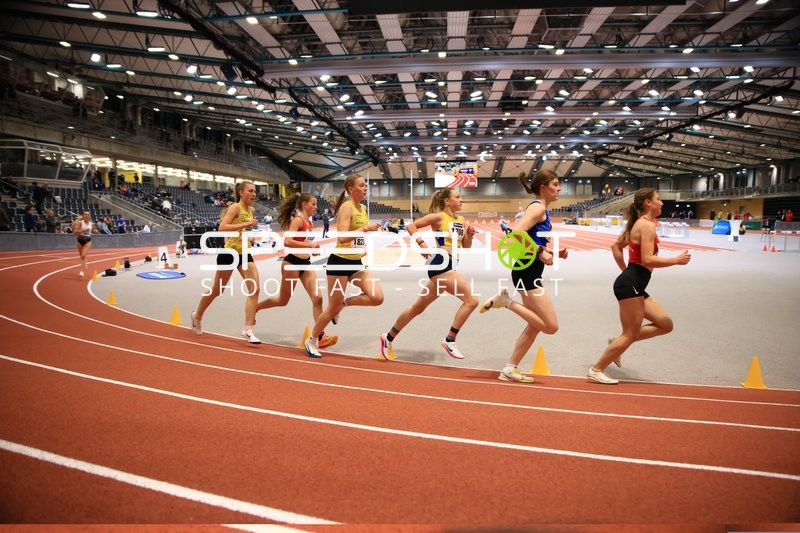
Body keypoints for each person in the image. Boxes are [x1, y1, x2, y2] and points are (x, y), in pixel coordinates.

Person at [587, 188, 691, 385]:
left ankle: (616, 344)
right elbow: (647, 259)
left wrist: (626, 271)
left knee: (665, 324)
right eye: (658, 199)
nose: (662, 203)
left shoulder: (641, 224)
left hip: (634, 284)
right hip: (631, 284)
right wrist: (676, 260)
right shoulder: (646, 226)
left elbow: (616, 247)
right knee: (630, 333)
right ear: (647, 203)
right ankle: (597, 369)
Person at [480, 170, 569, 383]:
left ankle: (510, 368)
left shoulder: (541, 209)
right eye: (555, 184)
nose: (559, 189)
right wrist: (541, 252)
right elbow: (517, 234)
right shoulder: (538, 208)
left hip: (528, 268)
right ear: (543, 188)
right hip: (526, 270)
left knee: (535, 325)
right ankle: (506, 302)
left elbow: (530, 239)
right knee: (550, 326)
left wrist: (553, 253)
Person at [379, 187, 478, 360]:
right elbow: (411, 226)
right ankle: (450, 339)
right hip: (441, 264)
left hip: (451, 264)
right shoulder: (439, 217)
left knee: (417, 308)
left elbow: (466, 246)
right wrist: (422, 244)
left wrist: (469, 235)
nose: (461, 200)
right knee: (472, 301)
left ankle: (387, 338)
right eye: (458, 196)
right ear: (447, 201)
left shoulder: (462, 220)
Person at [304, 174, 383, 358]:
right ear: (350, 189)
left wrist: (361, 247)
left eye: (366, 186)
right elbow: (342, 237)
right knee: (331, 308)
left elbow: (355, 238)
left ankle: (344, 304)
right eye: (362, 185)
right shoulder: (346, 208)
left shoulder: (362, 208)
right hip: (339, 262)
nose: (365, 188)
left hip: (355, 261)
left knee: (377, 297)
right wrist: (365, 229)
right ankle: (312, 340)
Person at [256, 193, 338, 349]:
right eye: (313, 204)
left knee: (318, 298)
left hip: (305, 263)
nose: (316, 207)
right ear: (304, 205)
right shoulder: (298, 220)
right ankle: (256, 308)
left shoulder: (308, 221)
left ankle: (320, 336)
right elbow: (287, 241)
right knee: (283, 300)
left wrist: (311, 250)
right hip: (292, 263)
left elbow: (303, 241)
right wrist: (308, 246)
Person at [190, 181, 263, 344]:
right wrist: (246, 224)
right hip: (229, 253)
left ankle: (247, 329)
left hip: (244, 253)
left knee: (255, 288)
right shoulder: (235, 207)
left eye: (255, 191)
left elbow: (243, 230)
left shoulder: (251, 210)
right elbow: (222, 228)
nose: (254, 194)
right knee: (218, 290)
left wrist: (249, 235)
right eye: (250, 191)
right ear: (241, 192)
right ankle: (197, 315)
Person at [72, 211, 97, 279]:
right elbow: (74, 232)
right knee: (82, 257)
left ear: (89, 216)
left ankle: (82, 272)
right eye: (85, 214)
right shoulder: (80, 223)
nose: (86, 216)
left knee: (83, 256)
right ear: (83, 216)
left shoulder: (92, 224)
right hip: (79, 240)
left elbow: (96, 231)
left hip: (88, 241)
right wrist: (82, 231)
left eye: (88, 215)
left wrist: (95, 231)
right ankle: (84, 264)